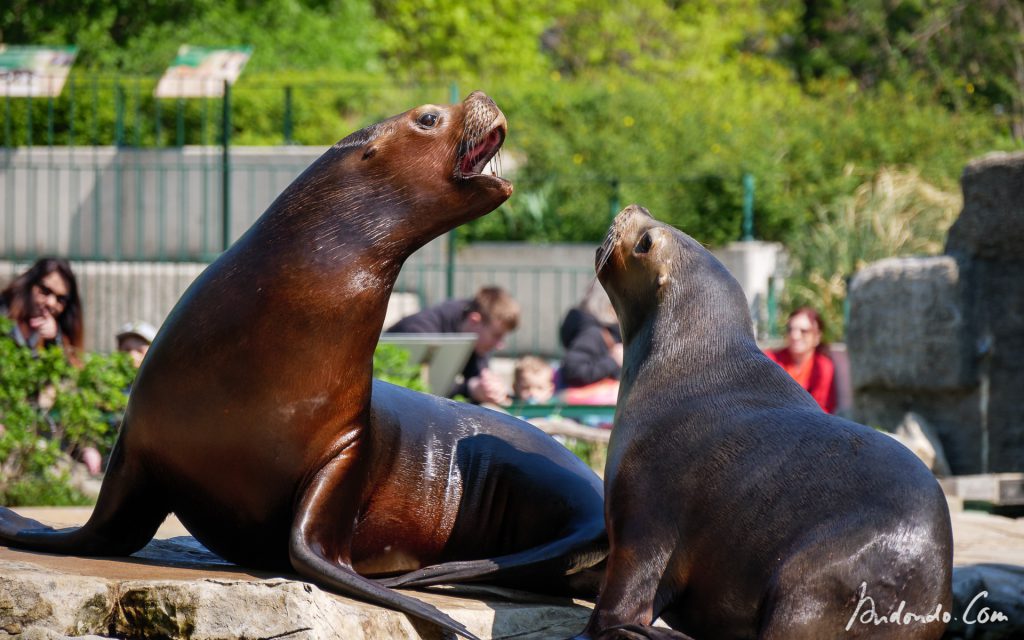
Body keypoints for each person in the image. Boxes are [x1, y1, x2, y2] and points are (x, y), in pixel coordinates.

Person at [386, 286, 520, 405]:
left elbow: (477, 378)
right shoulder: (419, 331)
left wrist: (489, 387)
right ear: (474, 320)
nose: (500, 345)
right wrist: (471, 389)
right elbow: (424, 388)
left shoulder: (475, 334)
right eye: (496, 336)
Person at [0, 257, 83, 366]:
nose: (51, 303)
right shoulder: (4, 313)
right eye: (45, 291)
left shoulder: (61, 335)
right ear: (29, 285)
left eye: (61, 299)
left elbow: (67, 375)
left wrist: (54, 341)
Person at [765, 307, 837, 413]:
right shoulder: (770, 359)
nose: (795, 336)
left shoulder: (823, 367)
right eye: (790, 329)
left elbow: (823, 410)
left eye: (804, 331)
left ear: (817, 337)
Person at [558, 284, 622, 388]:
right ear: (609, 307)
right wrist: (613, 361)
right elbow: (574, 371)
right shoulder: (593, 334)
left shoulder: (604, 332)